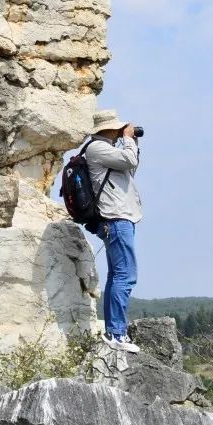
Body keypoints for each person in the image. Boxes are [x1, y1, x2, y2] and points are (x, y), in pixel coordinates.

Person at [85, 108, 142, 352]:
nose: (121, 130)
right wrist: (128, 140)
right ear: (107, 129)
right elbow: (129, 160)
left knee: (116, 275)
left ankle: (113, 331)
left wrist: (132, 143)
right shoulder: (97, 148)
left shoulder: (107, 150)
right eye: (117, 128)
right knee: (126, 275)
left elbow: (130, 169)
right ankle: (117, 334)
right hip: (116, 219)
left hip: (119, 220)